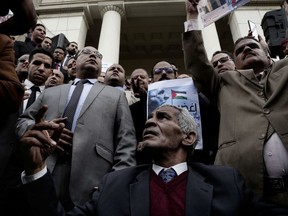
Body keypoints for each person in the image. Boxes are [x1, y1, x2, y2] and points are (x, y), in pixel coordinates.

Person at [19, 105, 288, 216]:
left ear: (189, 137)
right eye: (149, 119)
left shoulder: (227, 182)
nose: (150, 121)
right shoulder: (113, 185)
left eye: (163, 118)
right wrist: (35, 170)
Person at [184, 0, 288, 207]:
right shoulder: (224, 83)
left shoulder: (285, 69)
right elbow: (197, 62)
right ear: (235, 62)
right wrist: (192, 18)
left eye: (253, 46)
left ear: (267, 53)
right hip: (249, 194)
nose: (246, 49)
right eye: (240, 50)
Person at [16, 46, 137, 210]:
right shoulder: (51, 91)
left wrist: (114, 183)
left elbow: (126, 141)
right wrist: (38, 132)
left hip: (92, 180)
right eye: (87, 52)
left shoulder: (116, 96)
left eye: (98, 55)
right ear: (73, 63)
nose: (94, 55)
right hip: (42, 171)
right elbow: (23, 121)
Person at [20, 48, 53, 113]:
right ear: (27, 65)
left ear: (50, 73)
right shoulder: (11, 90)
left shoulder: (53, 99)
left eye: (47, 66)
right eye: (37, 63)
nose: (41, 69)